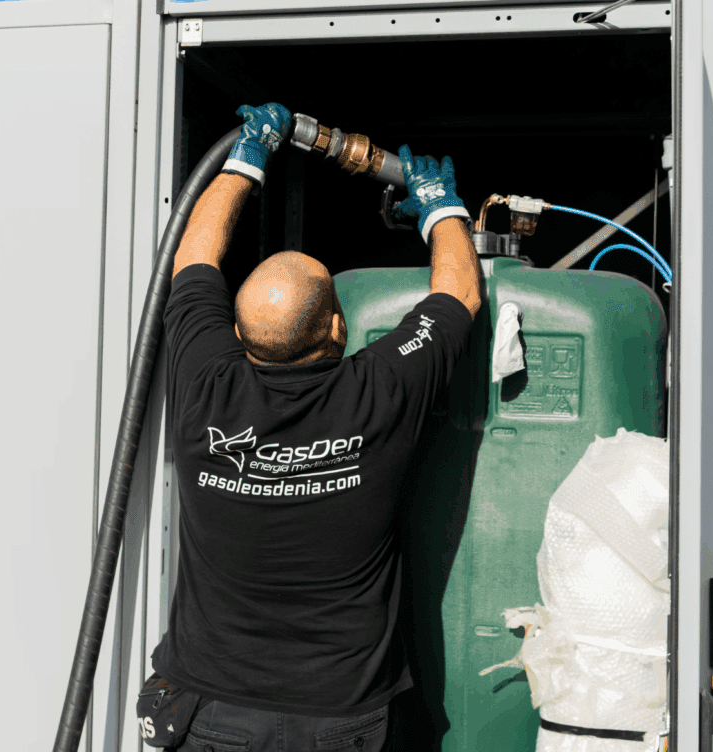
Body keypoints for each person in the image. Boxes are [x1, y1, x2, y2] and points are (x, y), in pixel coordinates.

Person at [149, 102, 481, 752]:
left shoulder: (201, 381)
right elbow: (458, 296)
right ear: (338, 326)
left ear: (238, 335)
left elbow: (193, 256)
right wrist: (442, 204)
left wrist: (249, 153)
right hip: (339, 720)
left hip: (209, 711)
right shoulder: (380, 391)